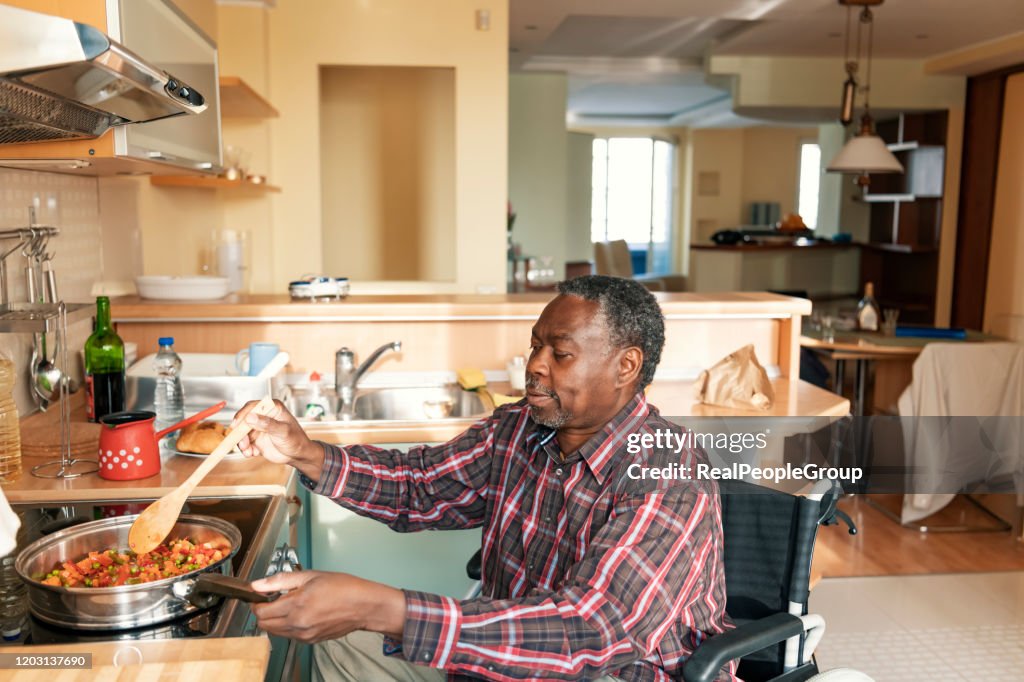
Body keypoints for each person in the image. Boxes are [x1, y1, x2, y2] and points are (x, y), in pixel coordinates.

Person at [234, 275, 736, 681]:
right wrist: (306, 454)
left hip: (610, 675)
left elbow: (589, 629)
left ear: (626, 366)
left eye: (559, 354)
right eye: (536, 345)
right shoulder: (517, 427)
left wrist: (387, 608)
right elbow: (420, 484)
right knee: (341, 646)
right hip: (502, 664)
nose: (535, 366)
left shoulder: (669, 472)